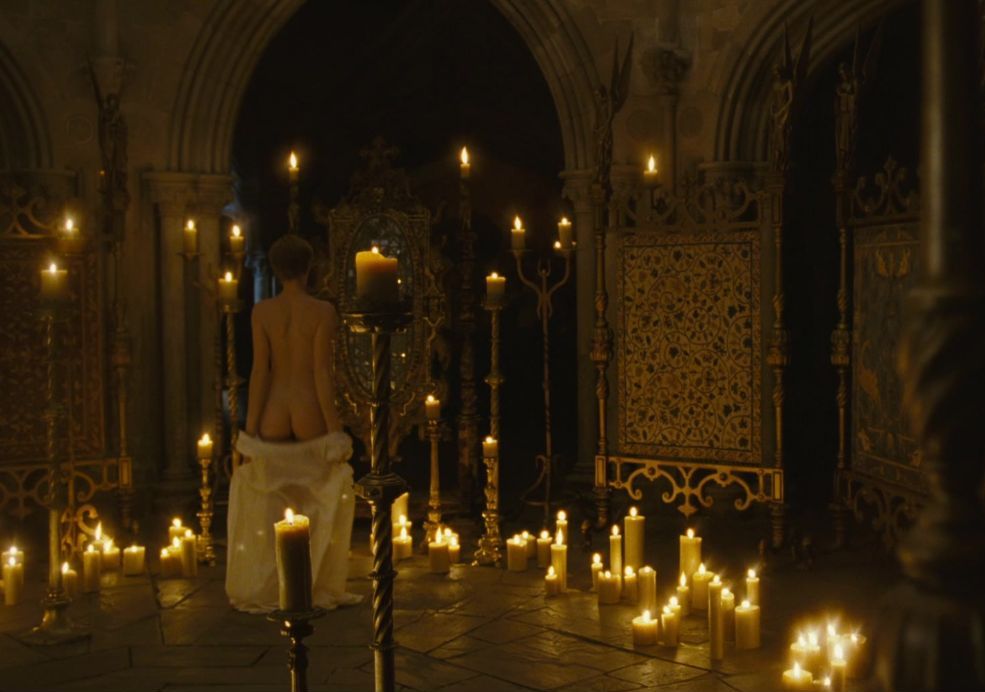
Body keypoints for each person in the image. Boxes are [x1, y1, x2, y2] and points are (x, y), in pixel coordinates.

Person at [226, 234, 360, 612]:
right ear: (309, 266)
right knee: (315, 500)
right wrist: (334, 431)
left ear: (275, 269)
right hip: (307, 409)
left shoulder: (262, 312)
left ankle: (274, 582)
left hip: (273, 409)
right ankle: (308, 581)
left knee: (271, 504)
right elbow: (320, 373)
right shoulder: (322, 311)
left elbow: (260, 372)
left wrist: (250, 433)